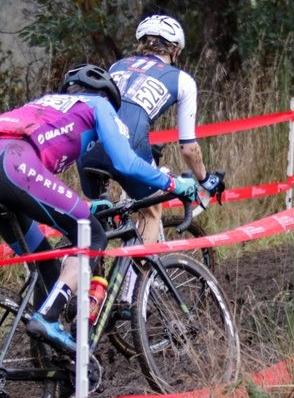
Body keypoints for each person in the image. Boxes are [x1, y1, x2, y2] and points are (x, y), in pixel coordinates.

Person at [0, 64, 199, 354]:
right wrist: (171, 183)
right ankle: (48, 319)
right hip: (14, 165)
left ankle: (52, 363)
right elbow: (125, 162)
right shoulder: (99, 105)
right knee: (94, 237)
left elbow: (40, 173)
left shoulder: (45, 105)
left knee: (45, 264)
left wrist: (86, 205)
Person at [79, 14, 220, 241]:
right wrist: (204, 179)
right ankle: (135, 276)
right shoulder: (182, 80)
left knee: (98, 219)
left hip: (88, 146)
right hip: (129, 145)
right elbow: (188, 148)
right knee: (151, 212)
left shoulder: (118, 66)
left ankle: (90, 270)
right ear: (175, 51)